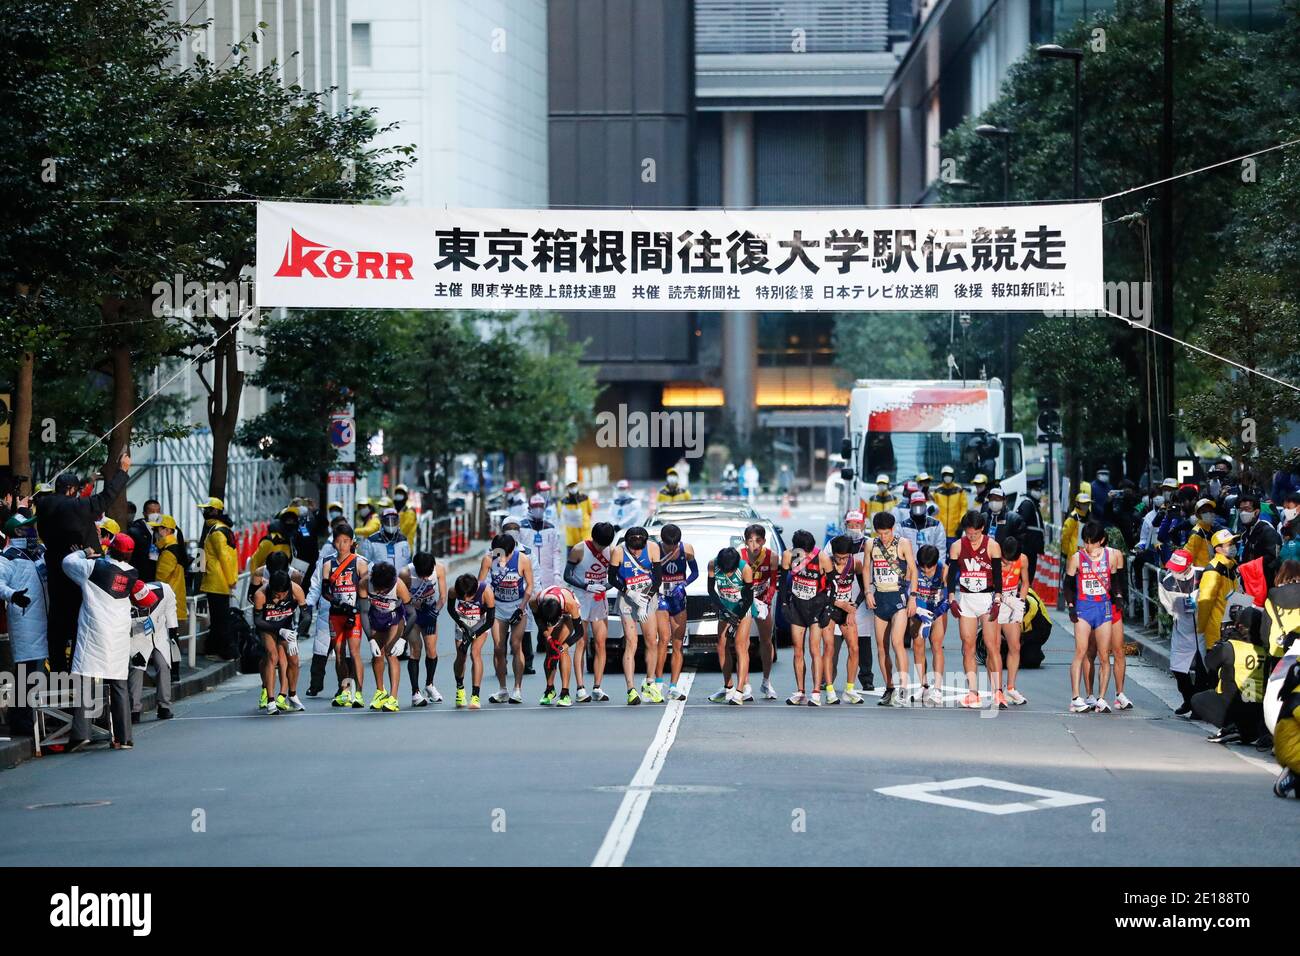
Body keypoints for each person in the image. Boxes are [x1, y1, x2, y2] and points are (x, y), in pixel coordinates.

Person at [35, 450, 131, 672]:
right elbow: (107, 497)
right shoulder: (75, 506)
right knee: (81, 620)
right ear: (71, 490)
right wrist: (122, 471)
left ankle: (58, 670)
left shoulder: (44, 506)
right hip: (78, 572)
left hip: (54, 569)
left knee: (57, 620)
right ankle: (77, 672)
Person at [63, 535, 159, 751]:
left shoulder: (94, 567)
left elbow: (67, 563)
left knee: (87, 680)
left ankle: (82, 734)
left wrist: (83, 553)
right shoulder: (133, 575)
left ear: (111, 549)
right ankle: (124, 738)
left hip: (95, 630)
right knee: (118, 684)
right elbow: (147, 599)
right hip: (118, 634)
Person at [1063, 521, 1127, 713]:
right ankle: (1076, 697)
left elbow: (1115, 581)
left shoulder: (1111, 556)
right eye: (1086, 542)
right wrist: (1071, 606)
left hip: (1103, 607)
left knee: (1104, 655)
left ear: (1101, 541)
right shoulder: (1076, 557)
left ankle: (1101, 698)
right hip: (1084, 607)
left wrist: (1118, 597)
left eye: (1092, 542)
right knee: (1081, 651)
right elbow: (1067, 584)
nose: (1088, 546)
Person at [947, 511, 1003, 709]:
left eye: (975, 534)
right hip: (967, 598)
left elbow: (998, 576)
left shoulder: (992, 545)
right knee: (968, 646)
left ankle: (998, 691)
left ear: (982, 529)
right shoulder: (957, 546)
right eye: (968, 534)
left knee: (991, 645)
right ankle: (973, 692)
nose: (971, 537)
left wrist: (998, 599)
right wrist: (951, 598)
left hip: (987, 598)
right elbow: (951, 575)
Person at [0, 512, 48, 737]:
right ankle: (21, 721)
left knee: (36, 674)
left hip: (44, 620)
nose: (32, 530)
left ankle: (33, 716)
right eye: (27, 528)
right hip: (24, 621)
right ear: (16, 532)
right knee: (25, 674)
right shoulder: (8, 556)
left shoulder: (38, 552)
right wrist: (12, 595)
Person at [866, 512, 918, 707]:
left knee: (897, 642)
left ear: (893, 529)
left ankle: (903, 688)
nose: (884, 537)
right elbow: (865, 569)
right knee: (881, 647)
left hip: (898, 598)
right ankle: (889, 688)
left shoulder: (903, 543)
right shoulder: (871, 544)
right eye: (880, 533)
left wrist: (913, 597)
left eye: (887, 533)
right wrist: (868, 592)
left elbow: (913, 570)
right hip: (880, 598)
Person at [608, 525, 662, 705]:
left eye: (639, 549)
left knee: (651, 640)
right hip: (628, 598)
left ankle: (650, 682)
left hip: (647, 597)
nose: (636, 552)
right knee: (631, 642)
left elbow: (658, 578)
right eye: (633, 549)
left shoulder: (653, 548)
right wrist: (629, 592)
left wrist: (645, 599)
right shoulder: (618, 552)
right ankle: (630, 689)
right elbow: (611, 578)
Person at [564, 521, 617, 702]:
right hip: (580, 598)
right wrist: (587, 585)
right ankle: (580, 687)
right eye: (599, 544)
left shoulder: (612, 551)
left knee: (601, 642)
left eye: (605, 545)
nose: (602, 548)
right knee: (581, 642)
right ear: (593, 538)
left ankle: (597, 686)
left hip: (598, 599)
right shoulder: (579, 549)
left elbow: (616, 577)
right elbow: (567, 575)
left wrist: (605, 586)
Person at [479, 531, 534, 704]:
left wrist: (522, 607)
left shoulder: (522, 559)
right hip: (498, 607)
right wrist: (485, 606)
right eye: (497, 552)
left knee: (516, 645)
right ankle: (502, 689)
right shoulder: (489, 559)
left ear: (511, 551)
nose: (500, 557)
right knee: (498, 647)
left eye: (504, 553)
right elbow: (481, 585)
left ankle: (517, 689)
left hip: (518, 606)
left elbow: (530, 585)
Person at [319, 524, 370, 709]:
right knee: (339, 654)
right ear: (334, 542)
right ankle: (345, 690)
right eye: (339, 541)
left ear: (352, 542)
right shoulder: (328, 563)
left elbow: (365, 588)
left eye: (346, 541)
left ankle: (359, 693)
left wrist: (358, 608)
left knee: (355, 652)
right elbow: (325, 590)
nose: (342, 545)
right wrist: (336, 602)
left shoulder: (360, 562)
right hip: (336, 614)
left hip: (354, 614)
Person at [516, 495, 565, 674]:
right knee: (528, 616)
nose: (538, 508)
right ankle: (527, 659)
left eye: (541, 505)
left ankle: (545, 641)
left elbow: (556, 552)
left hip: (548, 574)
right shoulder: (522, 527)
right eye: (535, 505)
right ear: (529, 506)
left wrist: (557, 574)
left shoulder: (550, 528)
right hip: (529, 576)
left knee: (549, 611)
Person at [779, 529, 828, 706]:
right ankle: (800, 691)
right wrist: (784, 604)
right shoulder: (788, 556)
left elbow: (832, 584)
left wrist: (828, 609)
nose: (805, 555)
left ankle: (816, 692)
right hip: (797, 606)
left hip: (816, 606)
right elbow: (783, 582)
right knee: (798, 650)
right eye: (802, 551)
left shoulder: (821, 557)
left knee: (815, 649)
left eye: (808, 551)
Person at [251, 569, 308, 715]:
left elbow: (306, 616)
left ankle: (293, 695)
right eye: (276, 595)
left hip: (287, 628)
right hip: (267, 627)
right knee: (272, 656)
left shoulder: (296, 590)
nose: (280, 598)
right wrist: (278, 630)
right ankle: (270, 700)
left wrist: (297, 634)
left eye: (283, 594)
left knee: (294, 659)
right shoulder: (260, 594)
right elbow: (257, 621)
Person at [1158, 548, 1207, 717]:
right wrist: (1181, 609)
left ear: (1189, 566)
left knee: (1203, 670)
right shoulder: (1167, 581)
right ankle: (1188, 699)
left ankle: (1199, 707)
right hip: (1182, 627)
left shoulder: (1204, 574)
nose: (1174, 572)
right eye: (1173, 568)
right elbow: (1167, 604)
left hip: (1204, 628)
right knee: (1178, 668)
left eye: (1178, 569)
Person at [654, 524, 698, 701]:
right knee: (663, 639)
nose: (671, 548)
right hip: (660, 596)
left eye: (673, 545)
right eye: (667, 545)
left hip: (678, 596)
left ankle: (673, 686)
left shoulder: (686, 549)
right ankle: (657, 683)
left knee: (678, 642)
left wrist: (684, 584)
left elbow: (695, 572)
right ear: (662, 541)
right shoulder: (655, 549)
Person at [706, 547, 754, 705]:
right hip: (725, 607)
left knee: (740, 646)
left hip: (742, 609)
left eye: (730, 571)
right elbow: (711, 591)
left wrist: (738, 618)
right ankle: (729, 687)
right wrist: (725, 612)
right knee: (721, 644)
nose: (727, 573)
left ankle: (740, 691)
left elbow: (748, 598)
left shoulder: (745, 569)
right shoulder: (713, 564)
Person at [361, 561, 410, 711]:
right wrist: (370, 639)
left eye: (384, 590)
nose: (381, 592)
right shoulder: (364, 583)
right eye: (378, 590)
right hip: (375, 616)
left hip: (395, 617)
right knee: (377, 654)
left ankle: (393, 698)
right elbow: (363, 612)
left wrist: (403, 639)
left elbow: (412, 614)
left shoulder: (399, 585)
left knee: (390, 653)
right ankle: (380, 691)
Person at [128, 579, 179, 721]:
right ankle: (134, 710)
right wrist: (131, 650)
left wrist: (173, 630)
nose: (149, 603)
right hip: (137, 637)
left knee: (163, 666)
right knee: (137, 669)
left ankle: (164, 706)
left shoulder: (164, 590)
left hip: (160, 633)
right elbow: (123, 630)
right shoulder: (122, 604)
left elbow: (170, 609)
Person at [822, 535, 865, 705]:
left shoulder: (855, 563)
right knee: (829, 648)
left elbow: (863, 589)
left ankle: (849, 689)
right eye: (838, 557)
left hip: (847, 610)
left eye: (844, 557)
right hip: (829, 608)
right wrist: (839, 603)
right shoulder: (826, 563)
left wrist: (853, 606)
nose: (841, 560)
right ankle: (830, 689)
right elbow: (819, 592)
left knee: (854, 648)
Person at [400, 551, 447, 707]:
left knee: (431, 649)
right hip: (412, 614)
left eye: (428, 575)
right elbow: (400, 597)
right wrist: (411, 606)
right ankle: (415, 692)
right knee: (416, 649)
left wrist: (436, 611)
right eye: (422, 576)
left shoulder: (439, 569)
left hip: (430, 613)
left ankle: (430, 685)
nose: (426, 579)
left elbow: (442, 597)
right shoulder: (405, 573)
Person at [197, 496, 239, 661]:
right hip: (219, 582)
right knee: (219, 618)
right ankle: (214, 649)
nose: (204, 512)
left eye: (207, 509)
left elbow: (225, 558)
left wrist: (230, 580)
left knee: (220, 619)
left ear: (215, 511)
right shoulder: (222, 529)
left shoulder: (216, 532)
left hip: (217, 582)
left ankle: (226, 652)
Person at [743, 523, 781, 699]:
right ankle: (745, 683)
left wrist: (768, 598)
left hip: (763, 601)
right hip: (744, 602)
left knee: (766, 640)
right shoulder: (740, 556)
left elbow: (773, 582)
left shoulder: (772, 556)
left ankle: (766, 681)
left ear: (764, 541)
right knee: (742, 642)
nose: (754, 545)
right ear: (745, 542)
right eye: (750, 541)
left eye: (758, 541)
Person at [447, 573, 496, 709]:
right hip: (462, 622)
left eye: (469, 597)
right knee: (461, 655)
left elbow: (490, 621)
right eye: (462, 598)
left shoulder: (487, 592)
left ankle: (475, 695)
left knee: (475, 653)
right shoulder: (453, 590)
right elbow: (451, 610)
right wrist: (463, 627)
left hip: (481, 624)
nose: (465, 600)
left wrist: (472, 636)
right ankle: (460, 688)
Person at [908, 544, 948, 707]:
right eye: (923, 569)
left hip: (937, 608)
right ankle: (922, 685)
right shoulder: (914, 569)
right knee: (918, 644)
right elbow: (908, 592)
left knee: (936, 645)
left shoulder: (944, 570)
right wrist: (919, 611)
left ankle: (937, 689)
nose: (926, 572)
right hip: (920, 607)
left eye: (929, 569)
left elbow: (948, 599)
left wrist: (933, 616)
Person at [532, 584, 584, 707]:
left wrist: (563, 646)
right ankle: (550, 689)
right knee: (550, 651)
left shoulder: (570, 604)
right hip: (550, 612)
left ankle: (565, 693)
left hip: (568, 615)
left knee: (561, 650)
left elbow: (579, 632)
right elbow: (539, 621)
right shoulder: (535, 601)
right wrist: (548, 637)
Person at [996, 535, 1030, 706]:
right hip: (994, 602)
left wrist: (1021, 603)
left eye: (1011, 561)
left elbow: (1025, 583)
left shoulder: (1022, 559)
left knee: (1015, 645)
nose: (1008, 563)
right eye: (1005, 560)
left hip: (1011, 603)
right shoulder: (993, 557)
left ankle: (1010, 688)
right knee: (993, 647)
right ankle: (997, 690)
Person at [1197, 528, 1239, 653]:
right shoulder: (1213, 570)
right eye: (1229, 544)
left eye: (1233, 544)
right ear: (1218, 549)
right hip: (1217, 632)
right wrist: (1201, 628)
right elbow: (1205, 601)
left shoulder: (1230, 566)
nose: (1233, 547)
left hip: (1229, 629)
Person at [148, 514, 188, 643]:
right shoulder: (173, 547)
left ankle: (170, 662)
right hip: (174, 596)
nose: (155, 533)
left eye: (157, 529)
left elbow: (160, 579)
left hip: (167, 599)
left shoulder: (168, 551)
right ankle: (173, 661)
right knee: (171, 635)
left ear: (167, 531)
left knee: (166, 638)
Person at [1235, 491, 1281, 568]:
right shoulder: (1245, 533)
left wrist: (1251, 565)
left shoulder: (1267, 532)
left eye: (1247, 509)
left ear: (1256, 512)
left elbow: (1273, 557)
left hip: (1263, 577)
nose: (1243, 513)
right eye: (1241, 510)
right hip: (1250, 576)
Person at [898, 490, 946, 561]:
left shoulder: (936, 525)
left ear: (925, 505)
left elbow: (941, 549)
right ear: (910, 506)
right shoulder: (902, 526)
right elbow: (899, 549)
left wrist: (938, 567)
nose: (918, 507)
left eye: (920, 504)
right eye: (915, 504)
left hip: (930, 566)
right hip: (910, 567)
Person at [1015, 479, 1046, 581]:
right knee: (1026, 576)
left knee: (1029, 575)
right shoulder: (1028, 504)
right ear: (1030, 490)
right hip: (1027, 548)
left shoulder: (1033, 504)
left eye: (1040, 489)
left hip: (1031, 549)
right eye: (1036, 489)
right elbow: (1020, 524)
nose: (1039, 492)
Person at [933, 466, 968, 545]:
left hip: (955, 531)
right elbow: (934, 512)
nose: (947, 477)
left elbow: (963, 509)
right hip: (940, 532)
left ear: (953, 476)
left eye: (949, 475)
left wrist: (961, 525)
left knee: (954, 554)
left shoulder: (959, 490)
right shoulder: (937, 491)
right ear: (942, 476)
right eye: (945, 475)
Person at [126, 498, 158, 581]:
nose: (155, 514)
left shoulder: (161, 530)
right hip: (139, 574)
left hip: (155, 573)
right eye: (152, 512)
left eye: (158, 511)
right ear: (144, 514)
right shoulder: (135, 531)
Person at [557, 479, 593, 548]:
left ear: (577, 485)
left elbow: (590, 512)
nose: (573, 488)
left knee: (586, 557)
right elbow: (561, 516)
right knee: (571, 557)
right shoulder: (563, 502)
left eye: (574, 485)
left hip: (585, 534)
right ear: (567, 488)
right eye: (570, 486)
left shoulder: (585, 498)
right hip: (571, 537)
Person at [392, 484, 418, 549]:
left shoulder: (409, 511)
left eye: (401, 493)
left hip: (405, 547)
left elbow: (404, 529)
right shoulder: (396, 510)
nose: (398, 495)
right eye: (397, 493)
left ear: (406, 495)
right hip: (394, 546)